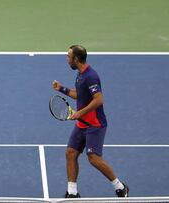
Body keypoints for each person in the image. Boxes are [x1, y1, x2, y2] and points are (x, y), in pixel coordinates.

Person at [52, 45, 129, 198]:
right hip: (82, 123)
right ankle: (73, 193)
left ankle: (120, 187)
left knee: (93, 159)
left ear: (76, 59)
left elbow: (99, 100)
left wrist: (79, 112)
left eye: (68, 56)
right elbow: (79, 95)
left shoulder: (90, 76)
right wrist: (61, 89)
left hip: (95, 124)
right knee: (70, 152)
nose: (67, 59)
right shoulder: (80, 75)